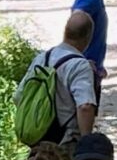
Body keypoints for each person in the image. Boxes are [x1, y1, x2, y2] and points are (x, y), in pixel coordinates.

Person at [22, 10, 101, 145]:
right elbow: (85, 106)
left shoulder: (41, 58)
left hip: (38, 140)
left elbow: (19, 96)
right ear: (88, 37)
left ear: (65, 32)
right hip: (66, 141)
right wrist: (86, 143)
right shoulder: (79, 66)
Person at [71, 0, 117, 80]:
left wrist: (99, 67)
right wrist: (82, 61)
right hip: (83, 71)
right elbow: (75, 23)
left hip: (90, 70)